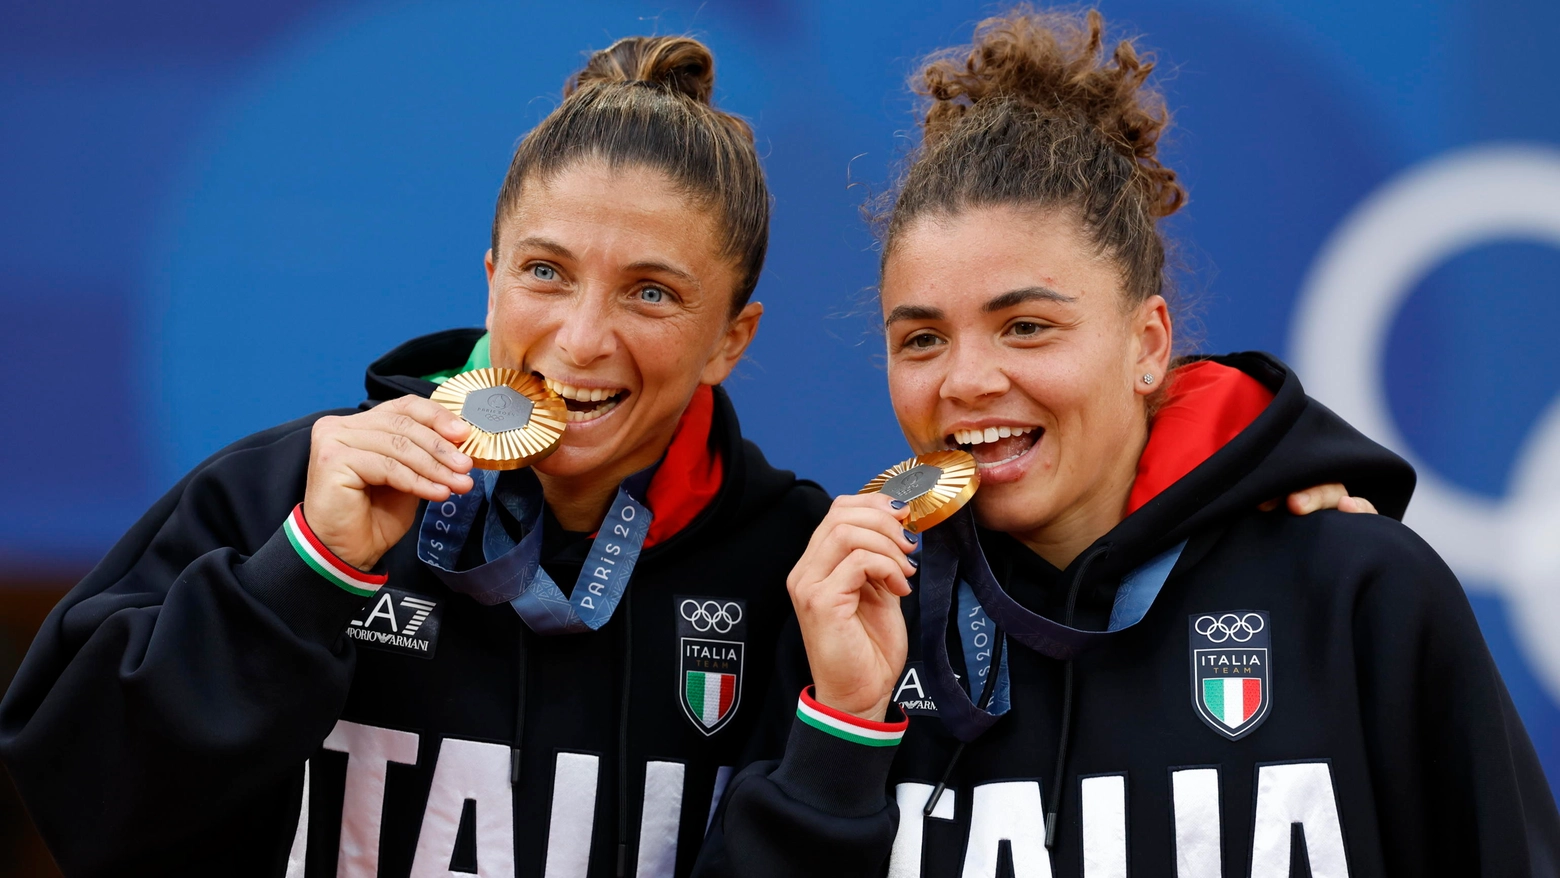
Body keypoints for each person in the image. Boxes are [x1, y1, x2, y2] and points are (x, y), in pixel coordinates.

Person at [0, 27, 1360, 878]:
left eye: (653, 292)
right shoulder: (308, 487)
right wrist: (305, 574)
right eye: (545, 271)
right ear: (487, 272)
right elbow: (86, 803)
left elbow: (1077, 573)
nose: (582, 337)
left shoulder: (804, 577)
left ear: (731, 337)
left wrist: (1252, 508)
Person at [695, 8, 1560, 878]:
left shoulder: (1356, 590)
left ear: (1147, 344)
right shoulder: (858, 628)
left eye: (1026, 326)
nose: (964, 382)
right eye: (921, 339)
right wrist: (842, 728)